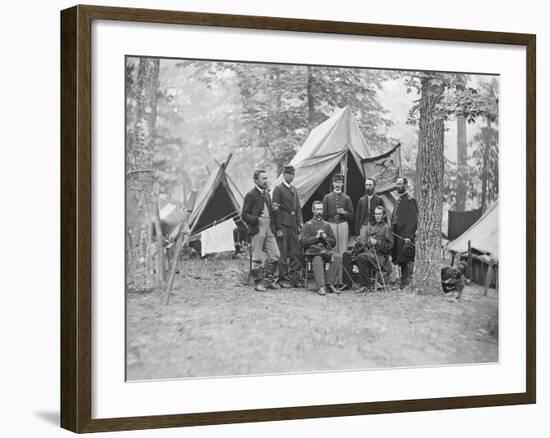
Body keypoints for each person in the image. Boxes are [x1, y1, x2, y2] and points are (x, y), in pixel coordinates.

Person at [241, 169, 281, 292]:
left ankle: (268, 282)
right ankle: (259, 283)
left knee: (275, 255)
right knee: (257, 257)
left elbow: (270, 212)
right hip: (258, 228)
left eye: (266, 178)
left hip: (269, 228)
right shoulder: (251, 195)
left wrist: (274, 212)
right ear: (256, 180)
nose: (266, 181)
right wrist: (256, 219)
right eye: (263, 178)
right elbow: (244, 215)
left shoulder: (267, 194)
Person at [342, 206, 393, 292]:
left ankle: (366, 285)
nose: (377, 216)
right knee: (346, 254)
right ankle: (347, 283)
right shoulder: (374, 226)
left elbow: (389, 247)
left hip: (380, 257)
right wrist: (366, 242)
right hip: (370, 253)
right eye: (376, 214)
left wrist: (376, 242)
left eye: (379, 214)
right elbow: (369, 244)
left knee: (361, 257)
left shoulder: (387, 228)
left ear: (384, 215)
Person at [272, 164, 305, 287]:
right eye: (290, 174)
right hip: (283, 224)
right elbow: (275, 210)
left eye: (293, 174)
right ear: (284, 175)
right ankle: (283, 279)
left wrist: (300, 222)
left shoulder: (294, 189)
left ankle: (295, 278)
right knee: (283, 252)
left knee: (296, 252)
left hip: (293, 225)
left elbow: (298, 208)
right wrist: (279, 228)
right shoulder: (278, 189)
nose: (292, 177)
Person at [300, 201, 342, 296]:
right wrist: (316, 237)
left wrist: (326, 237)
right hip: (312, 252)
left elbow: (333, 242)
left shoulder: (326, 225)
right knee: (318, 258)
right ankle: (321, 287)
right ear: (313, 210)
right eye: (317, 209)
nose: (319, 211)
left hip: (324, 251)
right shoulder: (308, 225)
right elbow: (303, 242)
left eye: (320, 209)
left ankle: (329, 284)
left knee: (337, 257)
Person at [322, 173, 354, 287]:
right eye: (336, 182)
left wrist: (344, 213)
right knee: (333, 252)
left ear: (342, 184)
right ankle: (332, 280)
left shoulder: (346, 198)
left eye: (340, 182)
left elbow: (352, 215)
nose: (338, 184)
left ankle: (341, 280)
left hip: (342, 225)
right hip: (330, 225)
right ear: (333, 183)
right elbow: (323, 216)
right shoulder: (327, 197)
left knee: (343, 252)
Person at [391, 177, 418, 289]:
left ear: (405, 185)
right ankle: (402, 282)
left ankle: (406, 283)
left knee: (406, 258)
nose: (398, 186)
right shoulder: (398, 200)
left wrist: (409, 236)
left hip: (405, 236)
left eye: (400, 184)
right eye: (397, 184)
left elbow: (413, 220)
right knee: (400, 259)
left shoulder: (410, 200)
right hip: (397, 234)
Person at [355, 178, 385, 242]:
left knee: (374, 246)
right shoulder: (361, 200)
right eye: (367, 185)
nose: (368, 187)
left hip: (375, 226)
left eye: (370, 185)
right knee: (363, 246)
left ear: (374, 186)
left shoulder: (379, 200)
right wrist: (357, 233)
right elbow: (358, 217)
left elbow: (384, 216)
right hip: (363, 227)